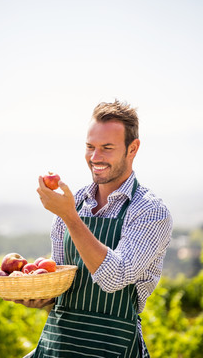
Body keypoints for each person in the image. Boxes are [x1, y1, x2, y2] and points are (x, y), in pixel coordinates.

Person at [20, 99, 172, 357]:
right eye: (90, 147)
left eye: (107, 148)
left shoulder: (150, 211)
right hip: (58, 344)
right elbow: (62, 283)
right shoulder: (74, 202)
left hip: (111, 346)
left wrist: (70, 216)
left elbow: (115, 278)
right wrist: (40, 295)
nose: (95, 157)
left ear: (132, 149)